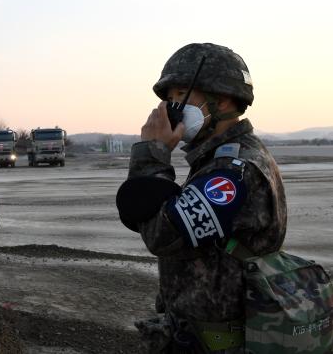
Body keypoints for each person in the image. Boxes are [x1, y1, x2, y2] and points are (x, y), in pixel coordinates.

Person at [116, 43, 287, 353]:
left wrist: (154, 155)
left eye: (180, 96)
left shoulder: (235, 169)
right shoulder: (217, 160)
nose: (169, 107)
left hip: (217, 343)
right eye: (167, 98)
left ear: (220, 100)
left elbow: (161, 235)